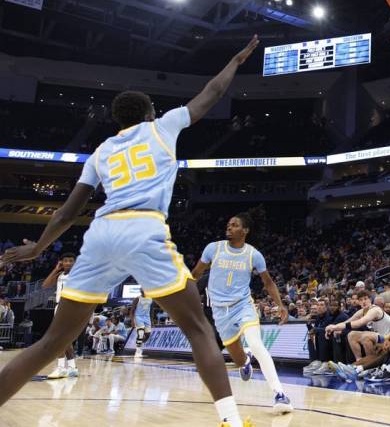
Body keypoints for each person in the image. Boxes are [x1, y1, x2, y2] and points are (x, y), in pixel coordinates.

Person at [0, 36, 260, 427]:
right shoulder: (162, 128)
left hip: (102, 232)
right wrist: (236, 61)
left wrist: (39, 246)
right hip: (143, 227)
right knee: (198, 329)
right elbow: (212, 91)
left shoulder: (102, 150)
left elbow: (69, 212)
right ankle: (232, 421)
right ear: (150, 113)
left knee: (52, 343)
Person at [190, 213, 293, 415]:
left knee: (256, 343)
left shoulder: (253, 254)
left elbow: (268, 283)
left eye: (234, 225)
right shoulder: (213, 248)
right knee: (237, 358)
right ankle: (245, 361)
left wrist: (281, 305)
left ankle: (280, 394)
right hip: (220, 311)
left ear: (244, 231)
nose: (229, 227)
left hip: (243, 306)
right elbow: (195, 274)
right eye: (228, 224)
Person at [42, 253, 79, 379]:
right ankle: (73, 368)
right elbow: (45, 285)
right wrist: (56, 269)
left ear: (75, 262)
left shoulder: (77, 275)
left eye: (71, 261)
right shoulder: (59, 275)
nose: (68, 263)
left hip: (69, 307)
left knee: (59, 338)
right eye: (65, 261)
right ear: (61, 262)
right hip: (58, 306)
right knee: (65, 339)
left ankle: (61, 368)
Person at [129, 291, 153, 358]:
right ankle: (138, 350)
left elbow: (151, 310)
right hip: (138, 317)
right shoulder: (137, 298)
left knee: (147, 335)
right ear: (140, 291)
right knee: (141, 333)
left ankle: (139, 343)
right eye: (141, 290)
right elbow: (132, 310)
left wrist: (152, 319)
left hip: (147, 317)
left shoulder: (151, 298)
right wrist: (132, 320)